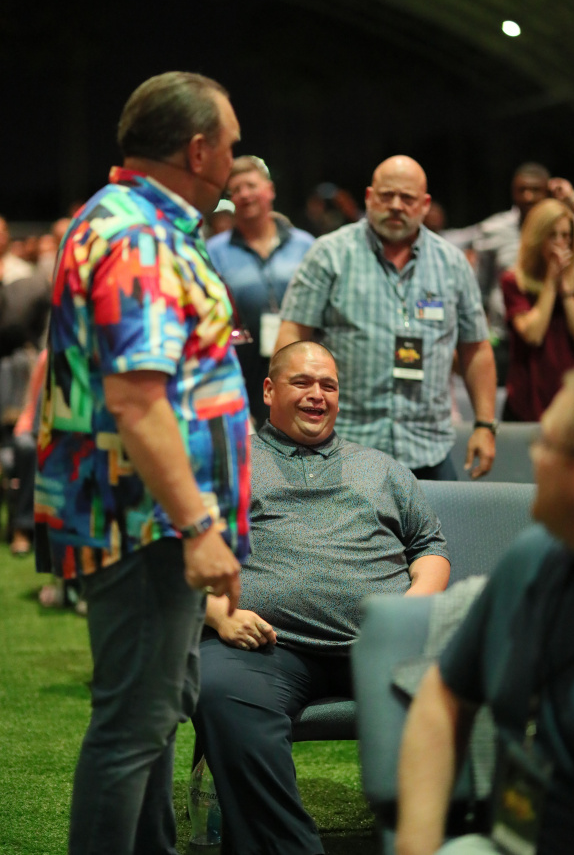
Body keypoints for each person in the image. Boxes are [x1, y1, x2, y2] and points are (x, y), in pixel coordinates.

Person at [34, 71, 251, 855]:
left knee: (155, 719)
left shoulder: (132, 221)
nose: (234, 159)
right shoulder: (139, 237)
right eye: (229, 144)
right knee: (133, 729)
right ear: (197, 150)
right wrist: (198, 525)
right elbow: (135, 398)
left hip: (142, 512)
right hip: (144, 519)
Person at [193, 339, 450, 855]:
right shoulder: (228, 464)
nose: (317, 395)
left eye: (328, 386)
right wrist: (219, 615)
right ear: (269, 390)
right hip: (270, 645)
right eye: (303, 383)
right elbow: (179, 552)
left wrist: (411, 610)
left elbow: (430, 547)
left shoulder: (381, 467)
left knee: (471, 677)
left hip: (382, 645)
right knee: (219, 688)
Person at [395, 366, 574, 855]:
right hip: (512, 837)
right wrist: (416, 844)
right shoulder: (532, 560)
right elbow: (443, 696)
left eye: (546, 444)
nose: (532, 456)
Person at [276, 155, 497, 480]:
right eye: (386, 196)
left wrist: (485, 424)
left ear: (424, 204)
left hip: (428, 446)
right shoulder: (330, 254)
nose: (395, 205)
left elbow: (476, 348)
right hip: (343, 446)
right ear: (368, 197)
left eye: (406, 198)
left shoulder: (452, 263)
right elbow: (292, 334)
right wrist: (288, 417)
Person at [451, 164, 574, 384]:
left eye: (564, 236)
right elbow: (481, 289)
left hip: (563, 342)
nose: (559, 242)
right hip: (508, 336)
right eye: (521, 190)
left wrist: (571, 198)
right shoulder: (506, 259)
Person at [206, 155, 314, 426]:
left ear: (270, 190)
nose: (244, 194)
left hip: (300, 364)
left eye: (251, 186)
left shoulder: (305, 245)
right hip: (240, 369)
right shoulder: (213, 251)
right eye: (236, 189)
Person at [501, 199, 574, 422]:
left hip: (569, 402)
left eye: (566, 235)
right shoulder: (514, 281)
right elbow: (533, 334)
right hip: (526, 400)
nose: (561, 243)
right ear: (537, 238)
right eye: (552, 235)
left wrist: (566, 292)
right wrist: (551, 284)